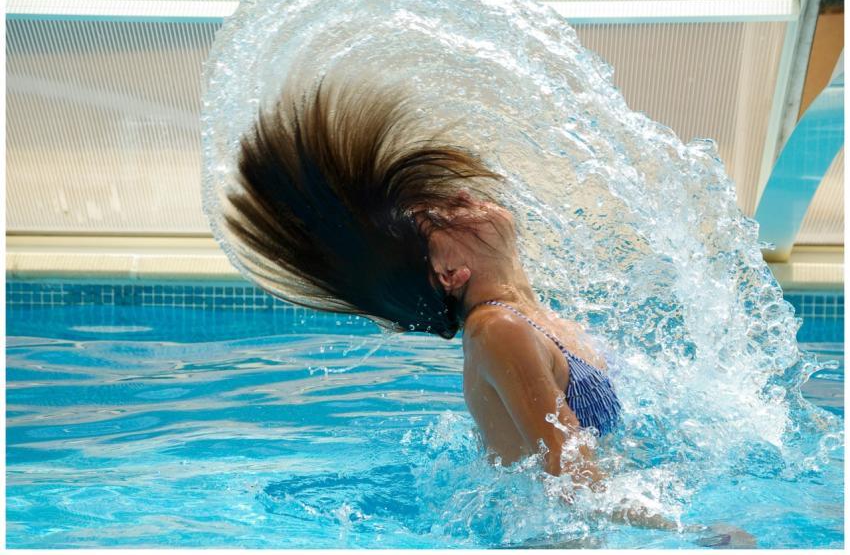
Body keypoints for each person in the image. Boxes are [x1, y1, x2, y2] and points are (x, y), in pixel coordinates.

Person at [221, 74, 754, 546]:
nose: (459, 197)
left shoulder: (532, 320)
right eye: (443, 216)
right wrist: (701, 538)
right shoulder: (500, 330)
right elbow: (573, 483)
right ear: (449, 274)